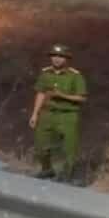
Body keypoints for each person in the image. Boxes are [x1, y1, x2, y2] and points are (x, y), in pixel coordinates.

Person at [30, 44, 87, 182]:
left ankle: (67, 175)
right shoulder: (45, 73)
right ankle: (47, 169)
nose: (57, 59)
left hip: (67, 115)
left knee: (69, 148)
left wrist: (62, 95)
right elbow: (41, 93)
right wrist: (35, 113)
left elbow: (82, 97)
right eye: (54, 56)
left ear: (67, 59)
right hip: (47, 114)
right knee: (40, 146)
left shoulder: (75, 76)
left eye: (61, 56)